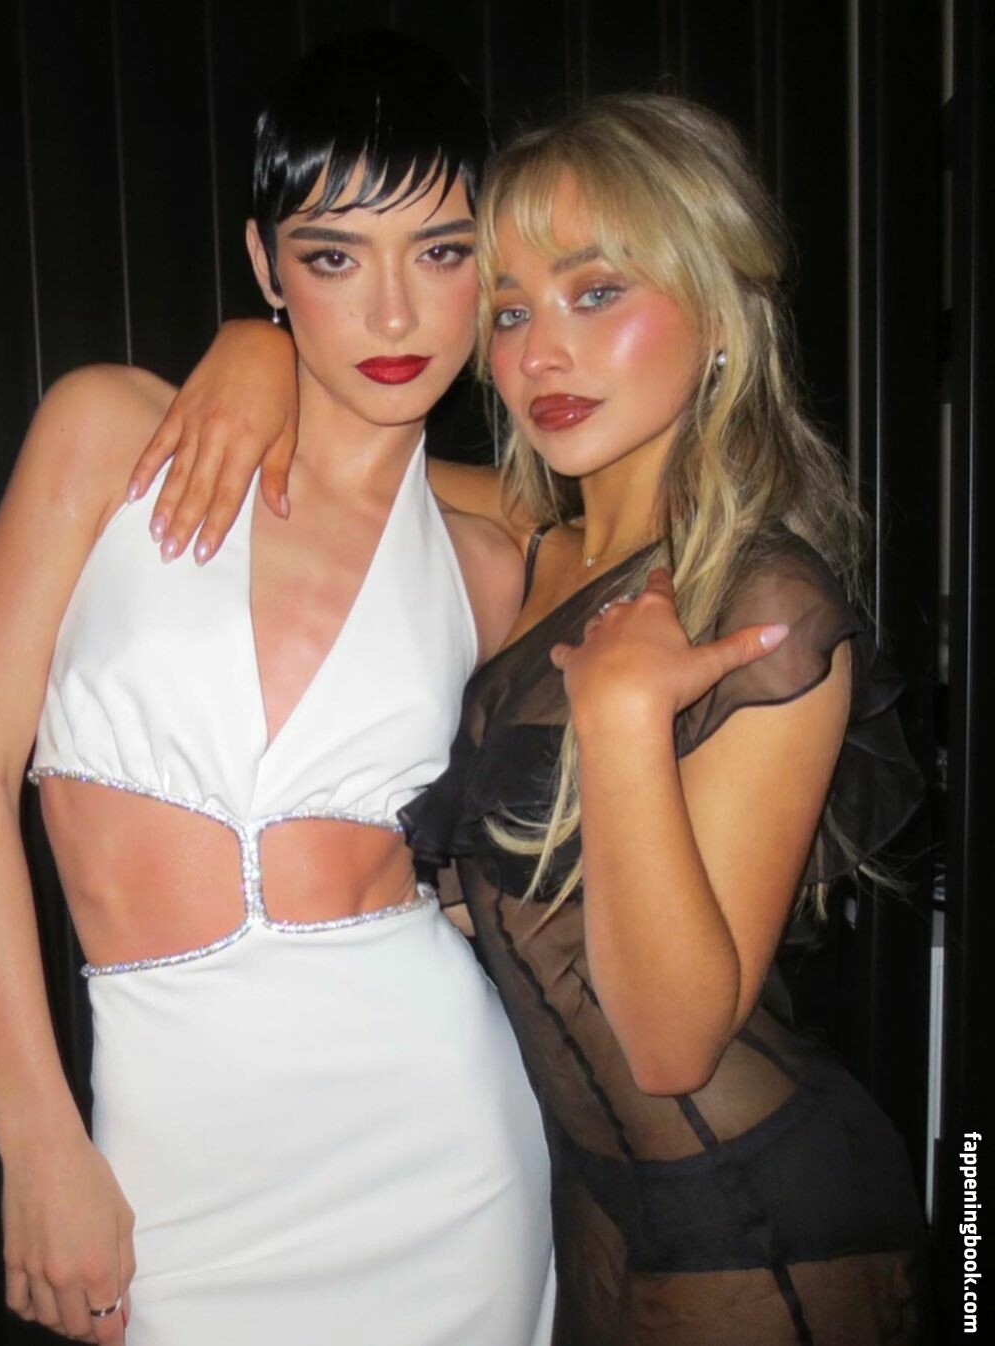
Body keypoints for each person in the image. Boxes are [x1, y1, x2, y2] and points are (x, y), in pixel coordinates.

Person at [140, 93, 930, 1344]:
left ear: (719, 315)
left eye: (597, 292)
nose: (541, 355)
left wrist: (621, 718)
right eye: (509, 311)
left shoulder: (762, 601)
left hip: (758, 1217)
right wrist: (260, 343)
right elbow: (335, 454)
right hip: (579, 1201)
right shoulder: (538, 549)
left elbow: (670, 1045)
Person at [0, 32, 557, 1346]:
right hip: (168, 1161)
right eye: (334, 257)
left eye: (441, 252)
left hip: (441, 1153)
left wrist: (264, 356)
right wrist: (35, 1138)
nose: (395, 315)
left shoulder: (491, 560)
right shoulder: (110, 432)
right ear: (266, 264)